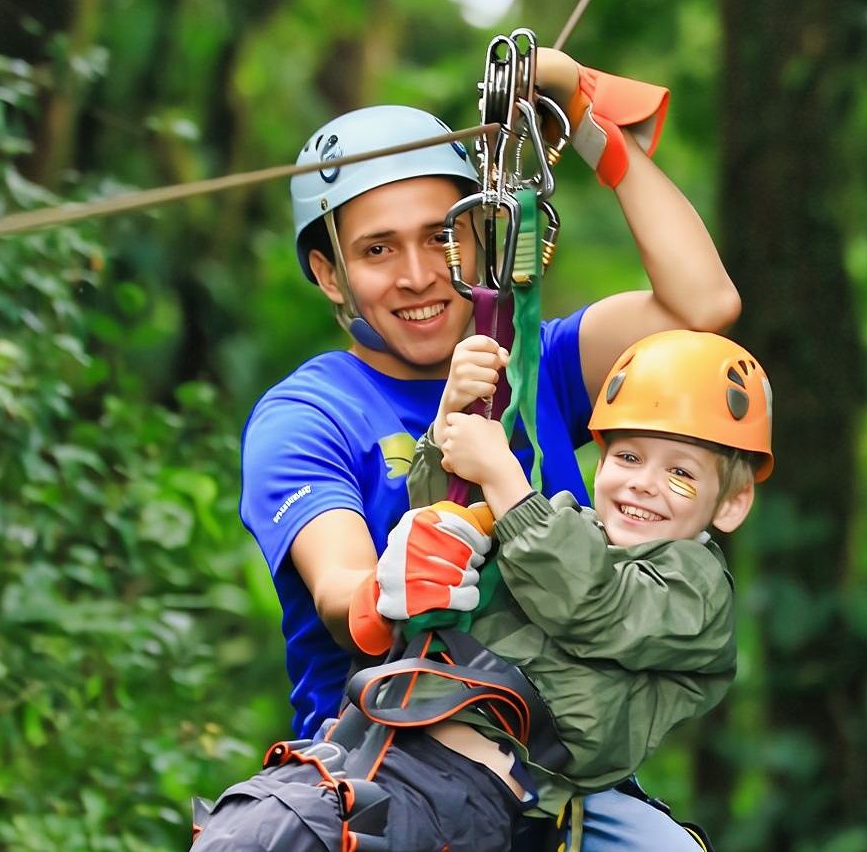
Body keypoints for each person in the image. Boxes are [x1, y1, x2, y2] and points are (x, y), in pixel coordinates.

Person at [236, 47, 740, 849]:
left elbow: (703, 301)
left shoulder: (538, 361)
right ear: (329, 274)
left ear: (479, 229)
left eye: (442, 235)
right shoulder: (308, 414)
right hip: (393, 771)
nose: (417, 274)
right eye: (376, 250)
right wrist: (385, 589)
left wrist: (582, 116)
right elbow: (339, 590)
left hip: (558, 779)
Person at [195, 331, 773, 852]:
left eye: (680, 473)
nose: (643, 483)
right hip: (389, 740)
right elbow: (455, 518)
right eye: (627, 456)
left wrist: (505, 477)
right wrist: (448, 434)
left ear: (730, 503)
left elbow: (593, 603)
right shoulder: (568, 527)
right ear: (599, 463)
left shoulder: (694, 588)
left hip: (489, 791)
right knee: (262, 830)